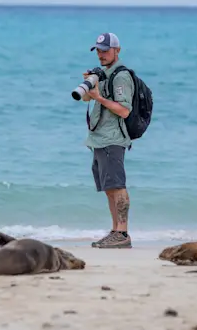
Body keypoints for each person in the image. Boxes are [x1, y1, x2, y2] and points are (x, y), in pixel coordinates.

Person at [82, 32, 135, 249]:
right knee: (109, 187)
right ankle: (115, 231)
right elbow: (87, 99)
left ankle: (122, 233)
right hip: (99, 139)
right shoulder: (104, 74)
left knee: (117, 186)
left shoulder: (121, 76)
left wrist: (100, 98)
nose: (101, 55)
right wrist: (89, 86)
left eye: (105, 51)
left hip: (113, 139)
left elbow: (124, 110)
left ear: (117, 50)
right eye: (99, 51)